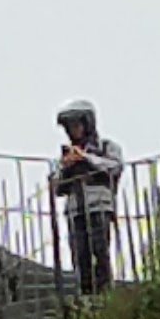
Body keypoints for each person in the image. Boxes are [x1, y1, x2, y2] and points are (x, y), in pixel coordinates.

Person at [49, 101, 123, 293]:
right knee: (80, 255)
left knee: (100, 251)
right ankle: (85, 294)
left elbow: (115, 167)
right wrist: (66, 167)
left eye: (77, 125)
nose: (74, 131)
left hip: (99, 206)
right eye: (70, 127)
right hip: (75, 210)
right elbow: (56, 188)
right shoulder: (66, 156)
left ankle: (105, 293)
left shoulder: (107, 146)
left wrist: (86, 158)